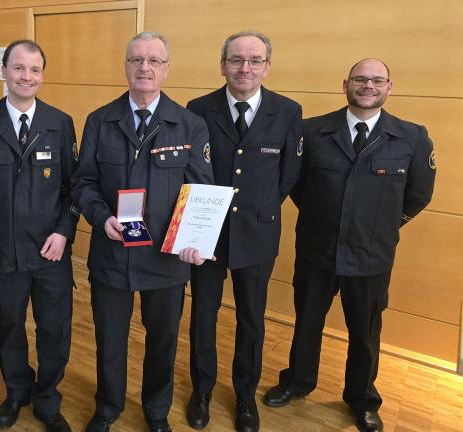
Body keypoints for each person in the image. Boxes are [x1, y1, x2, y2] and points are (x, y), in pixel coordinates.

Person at [262, 58, 436, 432]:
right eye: (360, 79)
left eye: (376, 80)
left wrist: (386, 225)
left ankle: (362, 399)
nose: (367, 85)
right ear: (345, 84)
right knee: (307, 323)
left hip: (371, 256)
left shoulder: (411, 137)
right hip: (317, 249)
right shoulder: (312, 131)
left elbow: (419, 194)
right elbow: (296, 184)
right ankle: (297, 381)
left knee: (365, 332)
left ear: (389, 86)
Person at [72, 32, 214, 432]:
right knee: (110, 341)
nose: (144, 67)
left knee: (162, 344)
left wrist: (195, 242)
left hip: (166, 262)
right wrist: (101, 218)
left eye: (154, 60)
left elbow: (200, 192)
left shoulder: (190, 124)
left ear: (167, 68)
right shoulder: (100, 120)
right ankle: (108, 407)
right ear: (126, 66)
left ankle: (156, 411)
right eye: (136, 59)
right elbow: (83, 183)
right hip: (112, 256)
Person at [184, 30, 303, 432]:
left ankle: (245, 395)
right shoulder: (198, 109)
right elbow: (191, 171)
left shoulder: (288, 111)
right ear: (223, 65)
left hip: (258, 234)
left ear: (267, 66)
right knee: (203, 313)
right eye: (236, 59)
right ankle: (201, 389)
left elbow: (288, 176)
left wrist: (257, 209)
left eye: (254, 60)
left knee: (252, 319)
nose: (244, 68)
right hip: (207, 234)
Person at [0, 39, 78, 432]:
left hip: (50, 254)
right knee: (9, 326)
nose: (26, 77)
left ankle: (47, 398)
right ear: (4, 71)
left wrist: (64, 233)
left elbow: (72, 190)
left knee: (54, 330)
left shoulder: (60, 123)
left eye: (34, 69)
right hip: (2, 255)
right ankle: (16, 392)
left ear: (42, 75)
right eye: (18, 68)